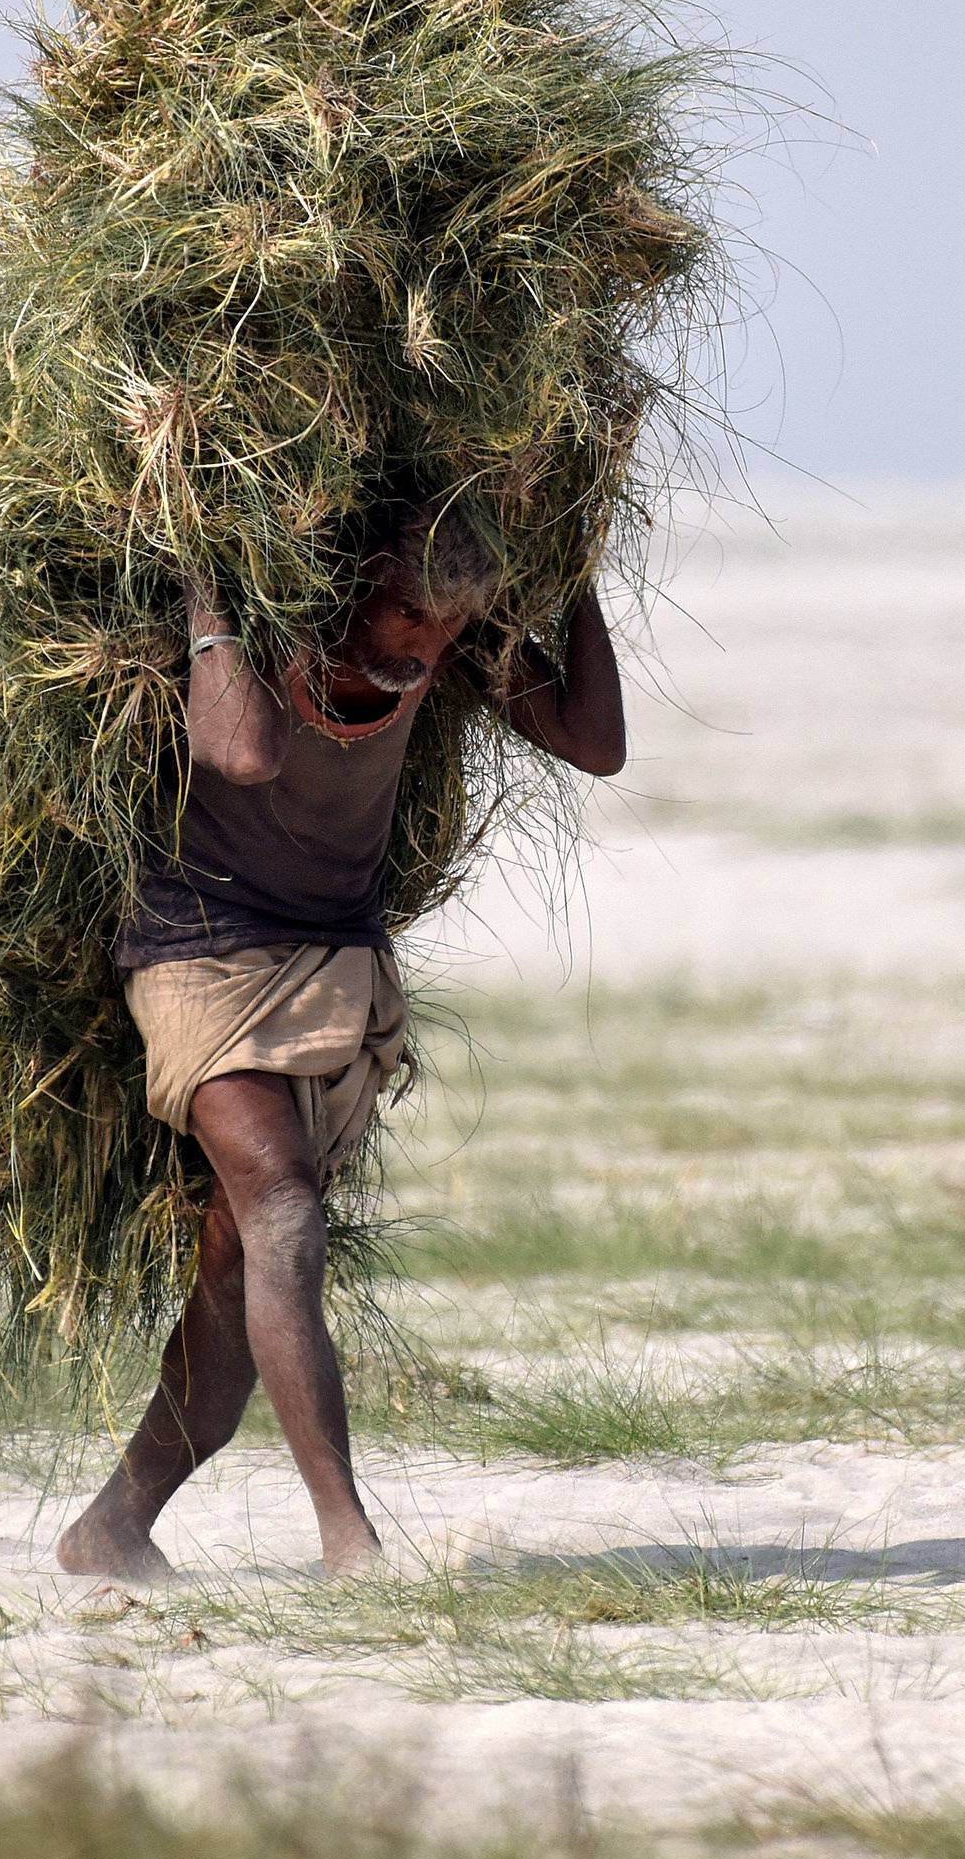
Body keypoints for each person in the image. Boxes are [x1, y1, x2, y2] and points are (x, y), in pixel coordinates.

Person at [56, 502, 626, 1579]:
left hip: (338, 971)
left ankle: (112, 1525)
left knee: (241, 1275)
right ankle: (347, 1539)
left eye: (446, 631)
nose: (420, 647)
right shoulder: (274, 631)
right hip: (200, 957)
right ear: (358, 579)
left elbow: (596, 747)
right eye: (406, 613)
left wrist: (578, 572)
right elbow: (239, 749)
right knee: (283, 1210)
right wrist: (208, 582)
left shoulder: (440, 648)